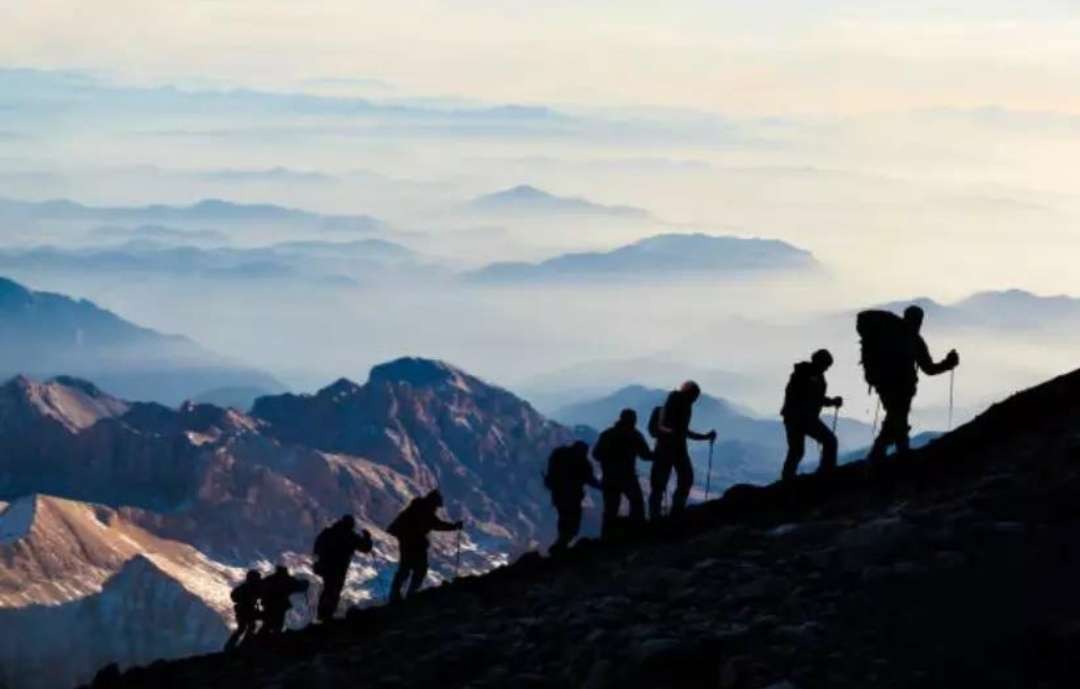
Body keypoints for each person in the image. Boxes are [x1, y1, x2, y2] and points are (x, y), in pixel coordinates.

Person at [863, 304, 959, 462]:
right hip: (900, 389)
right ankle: (881, 456)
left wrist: (948, 363)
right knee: (897, 419)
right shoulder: (915, 340)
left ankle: (891, 454)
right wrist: (948, 364)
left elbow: (928, 368)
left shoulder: (892, 335)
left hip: (888, 388)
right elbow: (929, 369)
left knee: (896, 420)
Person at [649, 381, 716, 520]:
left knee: (659, 485)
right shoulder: (683, 406)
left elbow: (677, 431)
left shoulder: (671, 405)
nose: (694, 400)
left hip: (664, 450)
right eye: (694, 397)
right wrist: (705, 437)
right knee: (685, 479)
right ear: (690, 395)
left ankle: (656, 516)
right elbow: (683, 432)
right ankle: (676, 513)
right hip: (677, 450)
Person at [386, 490, 463, 602]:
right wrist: (454, 526)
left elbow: (434, 523)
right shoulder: (424, 511)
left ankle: (396, 595)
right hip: (415, 544)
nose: (436, 508)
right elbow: (437, 524)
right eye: (436, 505)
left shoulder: (417, 508)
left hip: (408, 542)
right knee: (419, 569)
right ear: (433, 502)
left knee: (405, 568)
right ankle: (411, 595)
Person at [780, 349, 843, 481]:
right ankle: (826, 472)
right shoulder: (806, 375)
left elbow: (814, 397)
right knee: (829, 441)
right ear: (819, 362)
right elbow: (811, 397)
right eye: (825, 365)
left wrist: (830, 401)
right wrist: (832, 401)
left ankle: (787, 480)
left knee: (796, 451)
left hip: (795, 418)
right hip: (802, 418)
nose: (826, 369)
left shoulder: (807, 374)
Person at [592, 409, 652, 538]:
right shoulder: (634, 435)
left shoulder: (607, 434)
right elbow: (646, 455)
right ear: (633, 420)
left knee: (610, 509)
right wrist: (659, 455)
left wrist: (608, 460)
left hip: (609, 478)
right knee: (637, 503)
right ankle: (636, 533)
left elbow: (596, 455)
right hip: (627, 477)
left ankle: (606, 538)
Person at [313, 514, 374, 622]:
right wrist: (367, 537)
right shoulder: (350, 536)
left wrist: (318, 562)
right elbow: (365, 548)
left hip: (326, 567)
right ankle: (327, 615)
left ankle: (322, 614)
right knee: (334, 590)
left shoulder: (328, 532)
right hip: (339, 568)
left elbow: (317, 547)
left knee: (328, 589)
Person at [544, 440, 602, 553]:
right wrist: (603, 487)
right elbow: (590, 480)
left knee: (564, 520)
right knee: (572, 521)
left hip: (559, 495)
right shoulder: (582, 462)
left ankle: (560, 544)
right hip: (572, 497)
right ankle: (561, 545)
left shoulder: (559, 455)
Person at [257, 565, 309, 636]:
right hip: (281, 607)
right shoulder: (289, 580)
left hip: (269, 607)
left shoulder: (269, 579)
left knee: (267, 624)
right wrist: (306, 582)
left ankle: (261, 641)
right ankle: (273, 641)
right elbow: (301, 586)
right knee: (277, 626)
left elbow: (259, 587)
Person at [224, 570, 262, 651]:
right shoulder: (250, 588)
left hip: (243, 611)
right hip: (246, 611)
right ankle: (243, 645)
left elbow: (234, 596)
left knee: (243, 628)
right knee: (249, 627)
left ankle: (233, 645)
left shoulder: (244, 587)